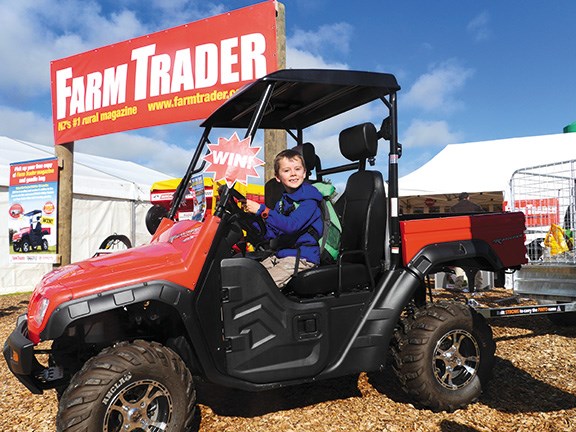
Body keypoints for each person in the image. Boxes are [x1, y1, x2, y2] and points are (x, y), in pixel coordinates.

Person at [244, 149, 323, 288]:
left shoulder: (309, 201)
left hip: (303, 257)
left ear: (304, 173)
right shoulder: (282, 202)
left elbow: (291, 225)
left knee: (259, 286)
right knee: (247, 278)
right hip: (282, 255)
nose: (293, 173)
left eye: (297, 169)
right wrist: (249, 221)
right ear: (278, 177)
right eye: (286, 170)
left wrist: (262, 210)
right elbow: (271, 232)